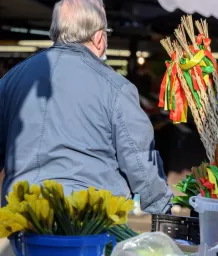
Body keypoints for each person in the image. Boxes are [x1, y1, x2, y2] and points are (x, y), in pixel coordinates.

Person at [0, 0, 172, 214]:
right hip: (90, 219)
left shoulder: (11, 80)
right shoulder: (116, 87)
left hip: (24, 214)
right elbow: (140, 161)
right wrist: (161, 208)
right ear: (99, 37)